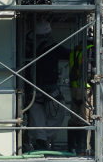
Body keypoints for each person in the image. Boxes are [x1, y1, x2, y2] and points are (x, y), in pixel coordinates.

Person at [26, 20, 70, 152]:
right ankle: (44, 138)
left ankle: (40, 139)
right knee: (58, 112)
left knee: (36, 116)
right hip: (50, 88)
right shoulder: (52, 47)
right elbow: (69, 54)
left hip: (31, 87)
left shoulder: (26, 46)